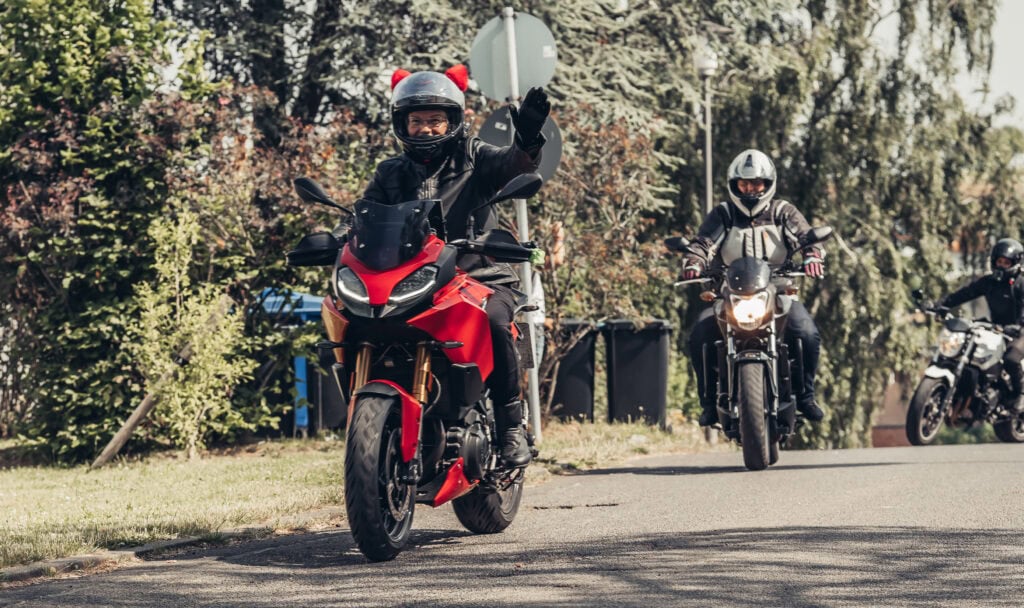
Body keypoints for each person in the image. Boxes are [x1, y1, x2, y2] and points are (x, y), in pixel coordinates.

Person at [361, 65, 550, 467]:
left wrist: (528, 139)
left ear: (453, 120)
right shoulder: (389, 172)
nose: (426, 129)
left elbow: (514, 165)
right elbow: (365, 217)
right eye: (417, 121)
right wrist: (344, 238)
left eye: (435, 120)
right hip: (411, 278)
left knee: (496, 320)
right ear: (402, 124)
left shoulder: (474, 155)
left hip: (475, 272)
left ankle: (510, 426)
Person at [682, 149, 826, 427]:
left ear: (768, 183)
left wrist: (812, 255)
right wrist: (693, 262)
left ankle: (806, 397)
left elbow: (807, 237)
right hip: (731, 295)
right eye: (744, 184)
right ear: (734, 184)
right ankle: (709, 402)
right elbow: (702, 243)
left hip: (778, 293)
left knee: (807, 334)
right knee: (699, 334)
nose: (750, 189)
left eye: (756, 183)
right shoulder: (723, 214)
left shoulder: (784, 212)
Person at [939, 238, 1024, 412]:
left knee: (1011, 358)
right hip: (997, 328)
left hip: (1020, 330)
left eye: (1006, 262)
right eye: (998, 261)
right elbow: (965, 293)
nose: (1001, 266)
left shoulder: (1021, 284)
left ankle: (1020, 394)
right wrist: (942, 304)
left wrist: (1019, 326)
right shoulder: (988, 282)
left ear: (1015, 263)